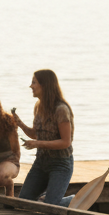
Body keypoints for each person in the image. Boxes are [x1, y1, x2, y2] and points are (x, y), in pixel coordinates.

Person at [14, 70, 75, 207]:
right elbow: (36, 134)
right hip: (41, 162)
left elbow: (65, 142)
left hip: (60, 164)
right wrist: (20, 124)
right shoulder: (38, 107)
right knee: (23, 201)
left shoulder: (61, 109)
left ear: (45, 85)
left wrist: (37, 144)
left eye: (34, 82)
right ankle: (45, 198)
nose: (31, 86)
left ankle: (74, 199)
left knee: (50, 207)